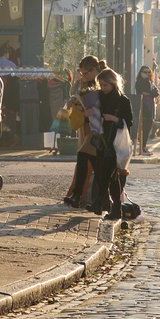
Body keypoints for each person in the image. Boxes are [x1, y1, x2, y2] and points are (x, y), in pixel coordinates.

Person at [64, 56, 105, 209]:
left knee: (87, 159)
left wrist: (92, 111)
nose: (83, 76)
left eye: (85, 73)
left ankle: (81, 196)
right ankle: (84, 196)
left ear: (95, 70)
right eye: (81, 73)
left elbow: (108, 104)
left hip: (99, 129)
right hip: (88, 127)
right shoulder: (85, 84)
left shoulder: (103, 81)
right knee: (89, 162)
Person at [94, 68, 133, 219]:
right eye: (101, 85)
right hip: (101, 139)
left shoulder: (123, 100)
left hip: (115, 141)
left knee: (110, 174)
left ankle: (107, 204)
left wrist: (114, 119)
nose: (103, 88)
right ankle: (110, 205)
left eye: (105, 85)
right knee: (105, 175)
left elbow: (129, 122)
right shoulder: (99, 97)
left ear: (113, 84)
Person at [134, 65, 158, 156]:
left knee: (148, 126)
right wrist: (150, 92)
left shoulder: (150, 81)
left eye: (148, 72)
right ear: (141, 72)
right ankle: (142, 148)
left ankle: (143, 146)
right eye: (145, 72)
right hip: (143, 105)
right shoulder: (139, 82)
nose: (147, 74)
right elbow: (142, 91)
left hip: (150, 105)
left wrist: (150, 92)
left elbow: (156, 93)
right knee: (143, 127)